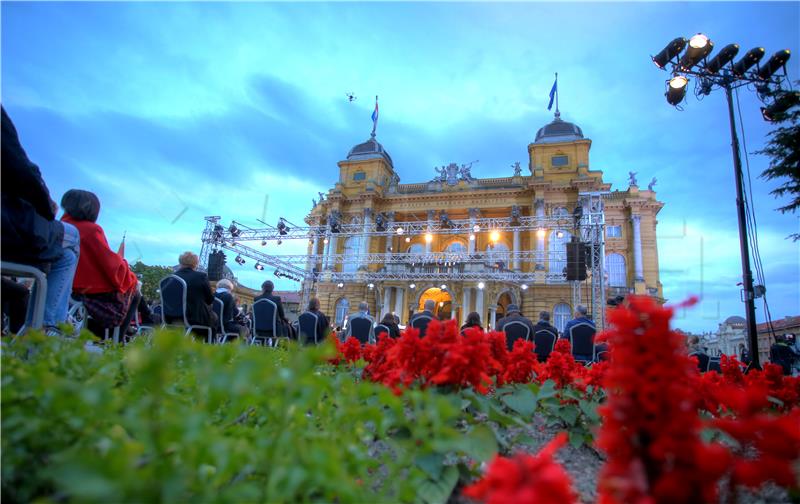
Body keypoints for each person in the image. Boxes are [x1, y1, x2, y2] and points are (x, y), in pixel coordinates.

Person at [1, 107, 80, 335]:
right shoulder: (91, 232)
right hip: (9, 228)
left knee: (65, 255)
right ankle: (50, 325)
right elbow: (21, 168)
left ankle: (50, 324)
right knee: (72, 240)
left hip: (84, 292)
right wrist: (45, 206)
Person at [60, 189, 140, 339]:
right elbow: (111, 265)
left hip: (66, 286)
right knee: (135, 291)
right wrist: (128, 271)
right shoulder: (91, 230)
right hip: (88, 291)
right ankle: (117, 338)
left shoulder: (61, 226)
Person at [169, 251, 216, 329]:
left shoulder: (170, 278)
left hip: (170, 316)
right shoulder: (201, 276)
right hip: (193, 318)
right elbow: (210, 299)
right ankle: (207, 340)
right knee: (214, 318)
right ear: (195, 263)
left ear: (180, 262)